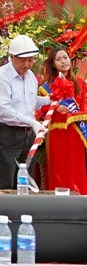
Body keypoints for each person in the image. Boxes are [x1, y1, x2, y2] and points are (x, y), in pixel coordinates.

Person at [0, 34, 51, 190]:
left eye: (31, 60)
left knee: (25, 180)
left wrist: (49, 99)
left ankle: (24, 205)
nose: (27, 65)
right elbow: (4, 110)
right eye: (23, 60)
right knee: (7, 181)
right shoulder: (1, 77)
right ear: (12, 57)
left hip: (27, 134)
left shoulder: (31, 77)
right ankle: (4, 206)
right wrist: (32, 122)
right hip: (6, 133)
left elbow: (30, 100)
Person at [39, 47, 87, 194]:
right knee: (58, 167)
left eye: (65, 58)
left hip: (76, 132)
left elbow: (83, 105)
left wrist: (76, 114)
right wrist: (55, 108)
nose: (63, 62)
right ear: (53, 64)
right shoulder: (46, 87)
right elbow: (42, 108)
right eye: (58, 59)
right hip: (56, 133)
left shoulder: (79, 82)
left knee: (75, 166)